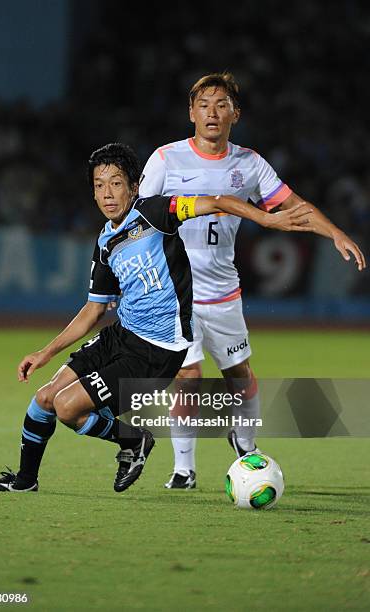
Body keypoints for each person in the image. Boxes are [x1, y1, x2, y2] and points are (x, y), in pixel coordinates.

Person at [0, 142, 312, 494]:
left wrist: (265, 217)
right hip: (121, 334)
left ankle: (135, 441)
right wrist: (44, 353)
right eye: (99, 185)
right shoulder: (106, 242)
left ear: (134, 186)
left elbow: (215, 201)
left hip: (157, 350)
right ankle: (25, 480)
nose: (107, 194)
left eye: (116, 183)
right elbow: (94, 309)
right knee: (45, 398)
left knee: (67, 408)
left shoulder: (155, 213)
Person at [139, 72, 366, 489]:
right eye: (204, 104)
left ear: (235, 114)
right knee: (188, 379)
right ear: (191, 113)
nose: (212, 112)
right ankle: (184, 469)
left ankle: (245, 445)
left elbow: (294, 205)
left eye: (221, 104)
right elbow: (139, 218)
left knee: (239, 377)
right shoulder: (165, 159)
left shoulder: (248, 164)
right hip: (175, 295)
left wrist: (334, 232)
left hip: (224, 293)